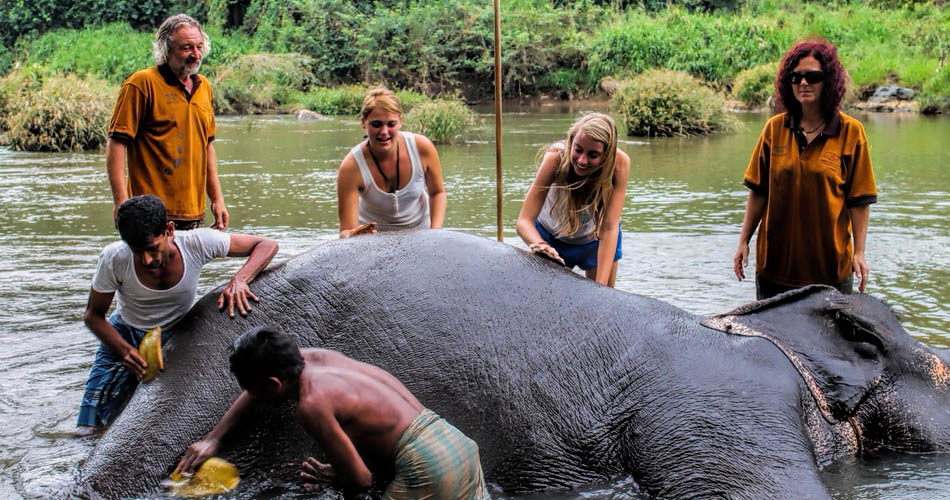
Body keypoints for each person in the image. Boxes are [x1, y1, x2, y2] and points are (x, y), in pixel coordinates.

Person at [176, 327, 489, 500]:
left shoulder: (311, 405)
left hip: (427, 466)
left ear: (273, 383)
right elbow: (255, 391)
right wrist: (214, 438)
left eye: (255, 390)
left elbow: (361, 481)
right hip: (457, 444)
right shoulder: (317, 358)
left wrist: (340, 475)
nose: (251, 396)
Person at [76, 195, 278, 434]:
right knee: (88, 427)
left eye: (153, 248)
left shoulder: (197, 243)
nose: (147, 259)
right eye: (137, 251)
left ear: (170, 230)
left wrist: (240, 280)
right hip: (124, 334)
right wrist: (124, 351)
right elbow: (93, 315)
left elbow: (267, 245)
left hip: (177, 335)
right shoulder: (114, 258)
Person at [733, 41, 877, 300]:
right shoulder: (774, 129)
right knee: (769, 339)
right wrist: (744, 241)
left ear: (829, 81)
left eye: (813, 76)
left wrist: (859, 252)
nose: (803, 83)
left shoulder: (851, 133)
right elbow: (758, 191)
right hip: (774, 271)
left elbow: (859, 201)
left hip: (830, 273)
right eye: (796, 77)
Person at [106, 13, 228, 231]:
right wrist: (121, 203)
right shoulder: (141, 84)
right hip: (148, 214)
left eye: (199, 46)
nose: (195, 54)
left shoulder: (205, 87)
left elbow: (207, 145)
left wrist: (217, 199)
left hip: (193, 213)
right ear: (166, 50)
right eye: (186, 48)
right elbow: (116, 143)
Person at [515, 113, 630, 288]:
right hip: (551, 237)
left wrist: (601, 289)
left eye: (593, 155)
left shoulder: (619, 164)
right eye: (578, 150)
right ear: (570, 142)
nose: (582, 161)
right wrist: (540, 245)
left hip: (596, 241)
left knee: (602, 299)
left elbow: (609, 227)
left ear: (607, 155)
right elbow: (524, 221)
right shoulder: (555, 158)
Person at [336, 88, 446, 238]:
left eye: (391, 124)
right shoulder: (351, 167)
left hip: (422, 235)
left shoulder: (422, 148)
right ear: (363, 123)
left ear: (400, 121)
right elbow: (346, 231)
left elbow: (437, 192)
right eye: (376, 124)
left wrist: (435, 232)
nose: (384, 132)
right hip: (374, 240)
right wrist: (352, 234)